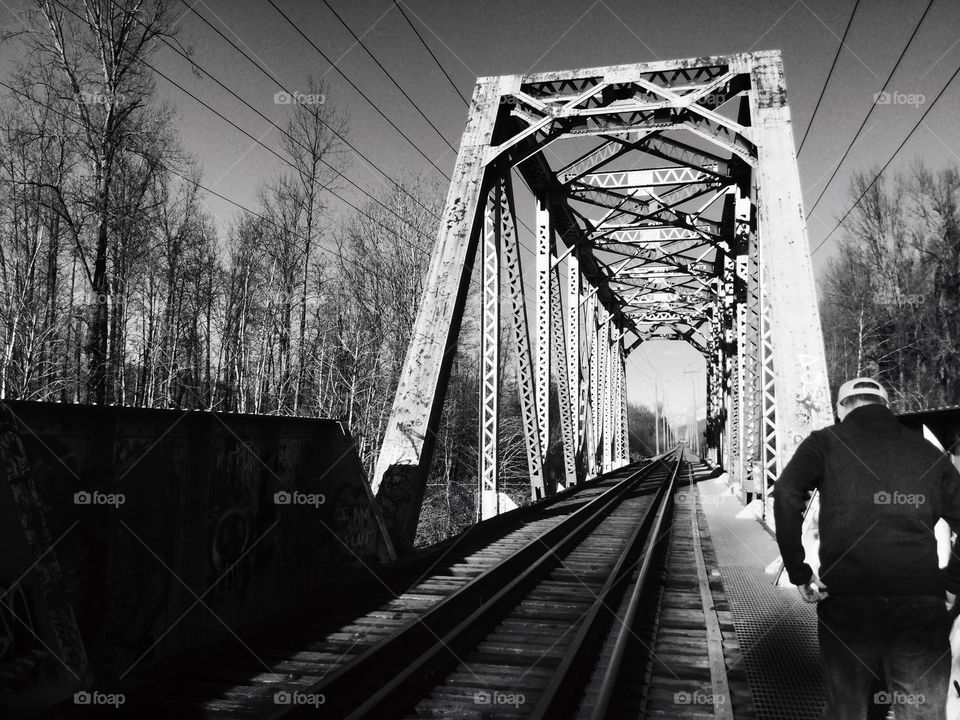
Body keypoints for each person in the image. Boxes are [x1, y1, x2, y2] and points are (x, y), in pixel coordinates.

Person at [773, 377, 960, 720]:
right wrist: (952, 582)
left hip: (848, 603)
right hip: (920, 606)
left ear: (840, 409)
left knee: (847, 711)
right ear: (886, 406)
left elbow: (786, 494)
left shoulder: (824, 442)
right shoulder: (928, 452)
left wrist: (798, 570)